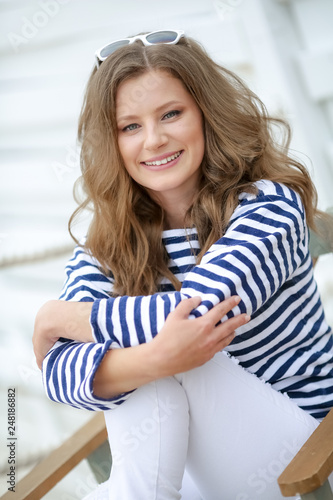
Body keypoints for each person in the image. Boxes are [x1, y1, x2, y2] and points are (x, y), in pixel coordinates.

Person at [33, 30, 333, 499]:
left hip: (302, 451)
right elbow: (57, 371)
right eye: (129, 126)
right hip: (187, 471)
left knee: (177, 353)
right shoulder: (109, 242)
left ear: (205, 113)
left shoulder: (269, 206)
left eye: (171, 114)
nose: (154, 140)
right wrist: (153, 358)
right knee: (152, 364)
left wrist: (62, 317)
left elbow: (200, 314)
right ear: (111, 142)